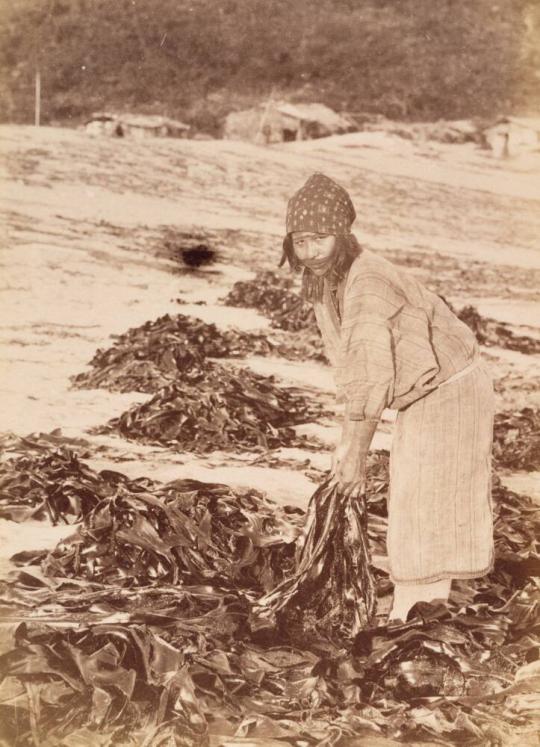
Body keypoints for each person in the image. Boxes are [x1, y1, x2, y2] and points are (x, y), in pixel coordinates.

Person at [280, 172, 495, 622]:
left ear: (343, 235)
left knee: (428, 501)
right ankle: (414, 607)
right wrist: (346, 445)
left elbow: (372, 373)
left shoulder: (367, 280)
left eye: (320, 239)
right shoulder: (324, 283)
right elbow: (353, 370)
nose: (310, 252)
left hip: (452, 387)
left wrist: (357, 459)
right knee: (414, 499)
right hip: (424, 389)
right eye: (300, 242)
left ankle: (418, 613)